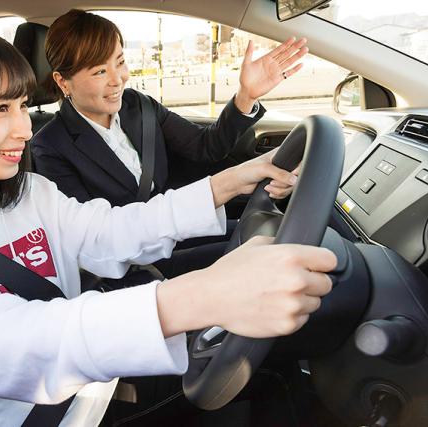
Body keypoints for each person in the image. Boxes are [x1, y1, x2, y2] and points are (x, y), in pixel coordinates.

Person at [0, 18, 335, 427]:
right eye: (0, 109)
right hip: (43, 417)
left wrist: (226, 183)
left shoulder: (24, 192)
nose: (23, 128)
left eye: (21, 106)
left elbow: (112, 231)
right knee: (266, 375)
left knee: (269, 365)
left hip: (99, 381)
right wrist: (203, 296)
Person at [32, 10, 306, 278]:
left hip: (181, 227)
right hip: (136, 263)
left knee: (282, 233)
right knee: (276, 257)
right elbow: (95, 240)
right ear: (62, 82)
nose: (118, 79)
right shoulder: (50, 146)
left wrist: (246, 95)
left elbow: (206, 146)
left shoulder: (138, 105)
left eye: (120, 61)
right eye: (100, 71)